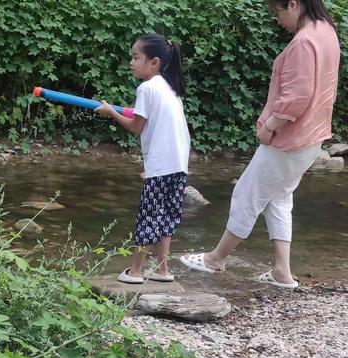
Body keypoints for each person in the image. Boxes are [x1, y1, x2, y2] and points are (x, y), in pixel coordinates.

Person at [180, 0, 340, 289]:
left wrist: (270, 126)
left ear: (293, 4)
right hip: (312, 138)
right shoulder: (326, 31)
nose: (277, 20)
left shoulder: (304, 42)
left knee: (246, 194)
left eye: (277, 13)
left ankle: (215, 259)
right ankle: (282, 272)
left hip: (289, 139)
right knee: (278, 198)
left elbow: (298, 96)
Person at [96, 33, 190, 284]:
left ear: (154, 62)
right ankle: (162, 270)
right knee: (168, 216)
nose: (131, 62)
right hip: (179, 164)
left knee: (149, 215)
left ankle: (136, 272)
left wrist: (111, 113)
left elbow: (136, 126)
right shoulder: (170, 88)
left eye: (136, 57)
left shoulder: (146, 88)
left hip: (160, 165)